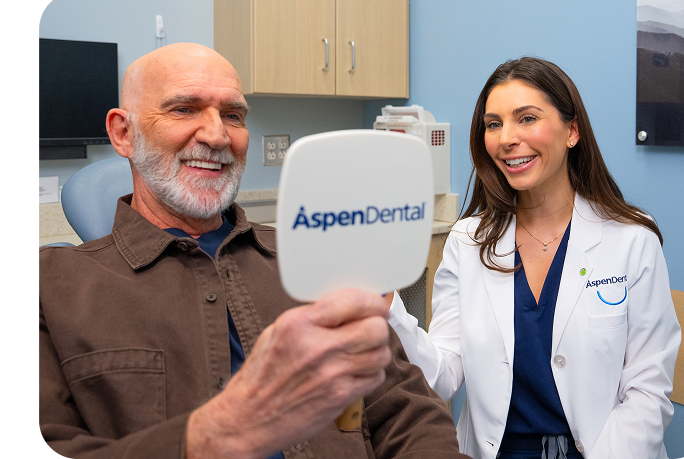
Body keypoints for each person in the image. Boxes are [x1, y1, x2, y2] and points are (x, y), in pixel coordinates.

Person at [39, 42, 469, 459]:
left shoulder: (317, 256)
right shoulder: (47, 289)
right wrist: (222, 431)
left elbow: (408, 413)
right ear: (123, 132)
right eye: (184, 109)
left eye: (232, 115)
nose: (217, 134)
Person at [387, 57, 681, 459]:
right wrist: (388, 307)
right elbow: (440, 375)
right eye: (493, 124)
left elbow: (648, 393)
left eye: (526, 118)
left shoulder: (631, 239)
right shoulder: (467, 242)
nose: (506, 138)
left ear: (572, 130)